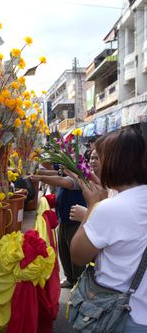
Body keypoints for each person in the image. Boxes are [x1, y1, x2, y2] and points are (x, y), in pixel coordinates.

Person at [70, 128, 147, 332]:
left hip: (120, 315)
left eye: (99, 158)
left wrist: (93, 204)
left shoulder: (110, 208)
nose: (93, 164)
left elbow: (77, 254)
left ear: (115, 163)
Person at [30, 170, 86, 288]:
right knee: (63, 251)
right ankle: (70, 278)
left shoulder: (79, 179)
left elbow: (61, 181)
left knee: (74, 253)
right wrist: (40, 173)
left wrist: (40, 177)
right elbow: (57, 175)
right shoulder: (68, 174)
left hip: (74, 223)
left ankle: (78, 283)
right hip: (64, 220)